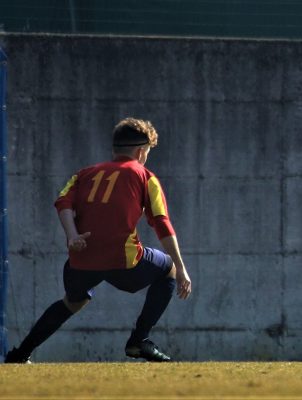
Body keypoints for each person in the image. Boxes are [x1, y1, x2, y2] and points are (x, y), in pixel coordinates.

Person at [4, 118, 192, 363]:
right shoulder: (145, 176)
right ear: (141, 151)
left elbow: (63, 202)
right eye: (147, 151)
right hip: (123, 261)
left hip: (81, 260)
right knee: (168, 268)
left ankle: (20, 354)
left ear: (115, 149)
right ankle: (139, 341)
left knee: (72, 302)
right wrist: (182, 270)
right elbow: (161, 223)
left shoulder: (85, 174)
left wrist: (72, 236)